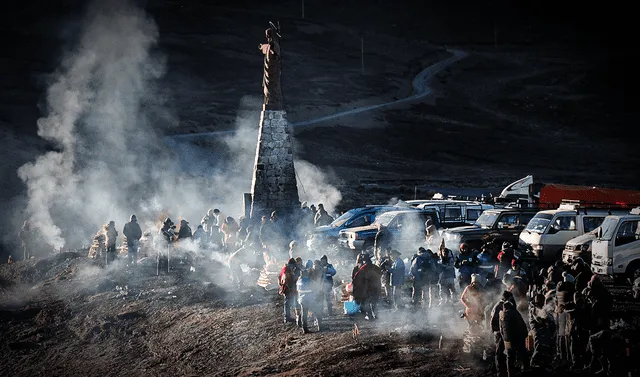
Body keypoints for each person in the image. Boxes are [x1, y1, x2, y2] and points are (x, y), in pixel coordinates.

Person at [499, 300, 530, 377]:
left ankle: (510, 373)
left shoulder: (502, 315)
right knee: (523, 354)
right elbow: (522, 325)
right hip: (517, 338)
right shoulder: (515, 313)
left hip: (507, 339)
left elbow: (501, 329)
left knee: (509, 357)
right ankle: (526, 370)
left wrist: (504, 338)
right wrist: (525, 334)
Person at [490, 291, 516, 377]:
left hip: (504, 333)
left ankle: (505, 370)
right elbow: (493, 321)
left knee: (506, 352)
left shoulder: (505, 305)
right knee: (500, 353)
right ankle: (500, 373)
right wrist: (497, 332)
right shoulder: (499, 306)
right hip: (499, 333)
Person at [528, 293, 555, 368]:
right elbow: (539, 320)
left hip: (541, 329)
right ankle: (533, 362)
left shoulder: (538, 307)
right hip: (537, 329)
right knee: (539, 346)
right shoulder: (534, 308)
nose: (543, 303)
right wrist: (546, 319)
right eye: (542, 301)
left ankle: (542, 362)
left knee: (544, 346)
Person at [278, 258, 299, 324]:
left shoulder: (284, 269)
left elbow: (279, 278)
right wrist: (291, 289)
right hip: (288, 289)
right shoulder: (287, 271)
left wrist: (281, 285)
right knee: (287, 303)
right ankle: (287, 318)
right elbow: (288, 280)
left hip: (285, 288)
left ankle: (287, 317)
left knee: (287, 303)